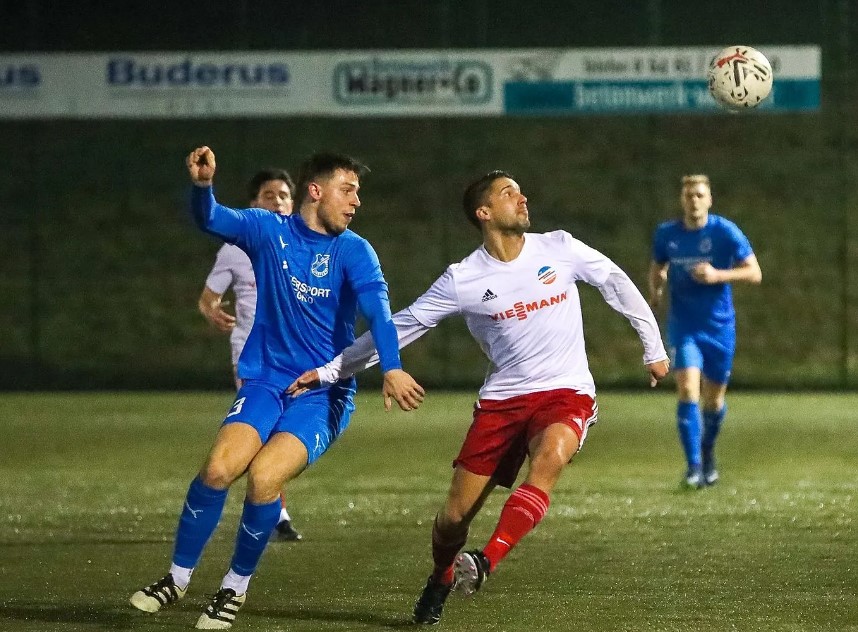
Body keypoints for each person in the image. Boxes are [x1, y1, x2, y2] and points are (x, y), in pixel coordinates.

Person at [287, 170, 670, 625]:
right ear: (484, 213)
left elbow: (615, 280)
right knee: (452, 520)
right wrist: (331, 370)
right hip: (503, 402)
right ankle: (442, 575)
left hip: (566, 390)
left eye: (521, 190)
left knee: (551, 456)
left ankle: (486, 560)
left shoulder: (559, 248)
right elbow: (402, 326)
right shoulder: (463, 279)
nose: (522, 197)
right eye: (509, 193)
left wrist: (653, 346)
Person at [130, 146, 425, 630]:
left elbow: (378, 314)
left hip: (323, 395)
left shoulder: (355, 250)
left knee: (265, 477)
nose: (355, 202)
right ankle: (176, 579)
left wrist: (391, 367)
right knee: (219, 467)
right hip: (266, 380)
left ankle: (233, 588)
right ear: (316, 191)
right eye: (347, 190)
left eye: (357, 192)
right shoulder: (268, 231)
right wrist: (202, 186)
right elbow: (211, 220)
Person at [197, 168, 303, 542]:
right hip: (252, 355)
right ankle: (276, 514)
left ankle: (264, 505)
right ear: (254, 203)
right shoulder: (235, 249)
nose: (277, 200)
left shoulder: (307, 245)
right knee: (265, 429)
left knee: (286, 432)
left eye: (284, 195)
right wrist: (212, 309)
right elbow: (208, 297)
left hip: (295, 355)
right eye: (269, 194)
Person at [648, 174, 761, 489]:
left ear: (709, 200)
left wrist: (717, 275)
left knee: (713, 402)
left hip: (720, 328)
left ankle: (708, 454)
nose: (694, 200)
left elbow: (754, 272)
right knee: (687, 391)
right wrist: (655, 292)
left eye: (699, 195)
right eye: (688, 195)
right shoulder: (667, 234)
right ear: (682, 200)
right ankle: (693, 467)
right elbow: (658, 266)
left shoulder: (724, 232)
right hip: (684, 326)